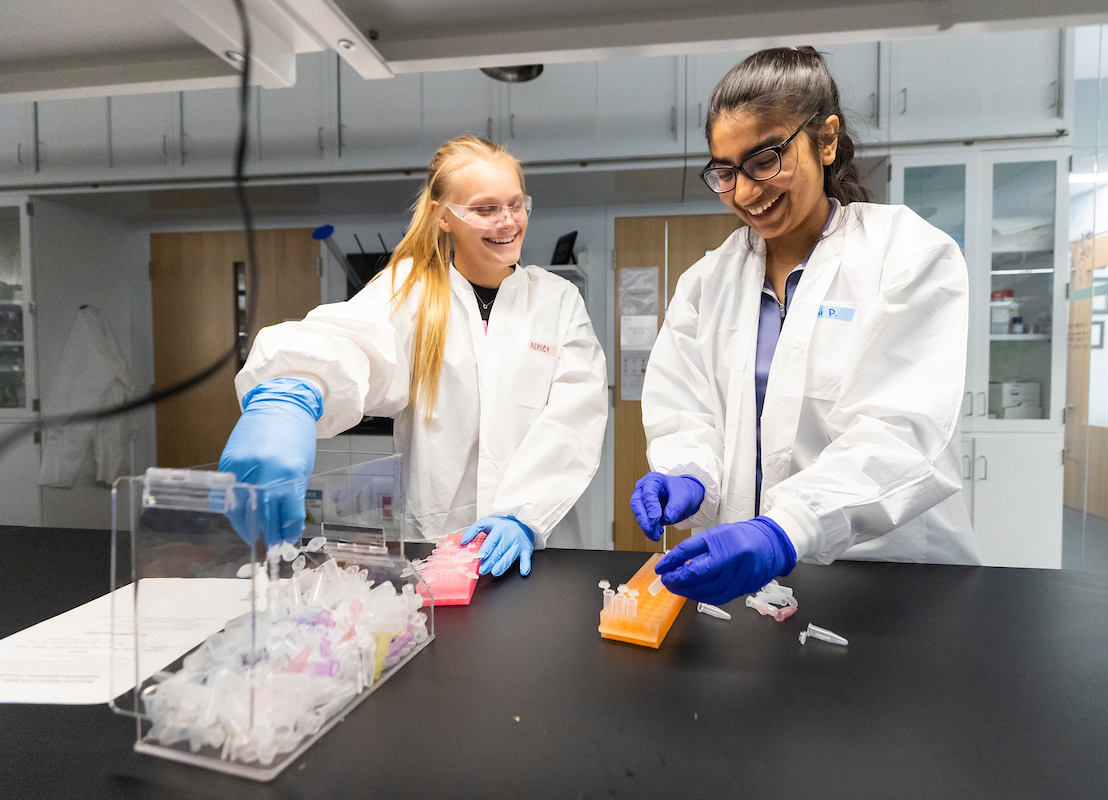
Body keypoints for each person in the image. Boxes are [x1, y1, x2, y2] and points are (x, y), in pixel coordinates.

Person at [630, 47, 980, 605]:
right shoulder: (706, 283)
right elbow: (687, 409)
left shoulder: (907, 255)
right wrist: (688, 472)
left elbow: (900, 431)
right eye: (726, 171)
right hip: (755, 584)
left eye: (765, 158)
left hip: (886, 579)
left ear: (826, 139)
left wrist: (785, 528)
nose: (745, 191)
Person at [220, 135, 608, 577]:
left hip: (537, 542)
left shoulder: (556, 300)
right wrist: (293, 390)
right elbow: (354, 339)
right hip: (440, 542)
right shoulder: (412, 290)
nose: (508, 222)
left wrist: (523, 513)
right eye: (485, 209)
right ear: (446, 218)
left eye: (516, 205)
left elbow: (576, 414)